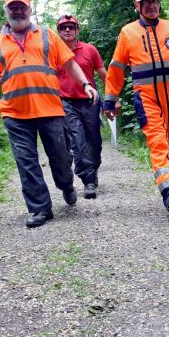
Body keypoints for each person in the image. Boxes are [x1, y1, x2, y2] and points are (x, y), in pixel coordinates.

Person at [0, 0, 99, 228]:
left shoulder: (47, 35)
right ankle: (39, 208)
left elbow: (69, 63)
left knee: (61, 158)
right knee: (26, 162)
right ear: (6, 11)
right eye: (13, 7)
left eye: (22, 7)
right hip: (15, 114)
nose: (18, 11)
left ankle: (67, 185)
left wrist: (86, 84)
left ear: (30, 9)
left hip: (50, 111)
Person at [103, 0, 169, 216]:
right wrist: (110, 99)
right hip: (146, 98)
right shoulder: (128, 33)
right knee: (158, 141)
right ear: (137, 4)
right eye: (146, 2)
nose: (152, 5)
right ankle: (168, 190)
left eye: (155, 1)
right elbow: (116, 68)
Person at [56, 13, 110, 199]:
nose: (68, 30)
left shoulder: (89, 50)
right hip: (66, 102)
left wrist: (112, 98)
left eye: (71, 27)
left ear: (77, 30)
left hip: (90, 101)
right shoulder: (54, 53)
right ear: (59, 32)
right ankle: (88, 180)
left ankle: (93, 169)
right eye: (64, 27)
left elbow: (104, 74)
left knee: (94, 141)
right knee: (77, 142)